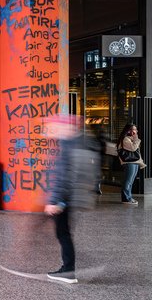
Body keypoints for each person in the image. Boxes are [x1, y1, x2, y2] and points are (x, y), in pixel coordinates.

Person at [44, 114, 100, 285]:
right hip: (73, 196)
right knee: (64, 232)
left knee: (63, 233)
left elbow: (64, 176)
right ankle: (67, 269)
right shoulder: (81, 141)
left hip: (66, 197)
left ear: (65, 127)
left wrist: (56, 202)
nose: (53, 129)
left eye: (56, 126)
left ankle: (68, 271)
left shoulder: (69, 144)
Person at [117, 123, 146, 205]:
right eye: (134, 129)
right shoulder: (125, 139)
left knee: (131, 181)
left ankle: (129, 197)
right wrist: (136, 138)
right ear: (129, 130)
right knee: (128, 181)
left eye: (136, 129)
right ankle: (126, 198)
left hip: (134, 162)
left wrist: (135, 139)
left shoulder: (130, 138)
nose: (136, 131)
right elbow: (133, 148)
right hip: (129, 162)